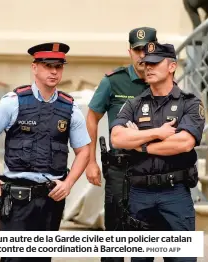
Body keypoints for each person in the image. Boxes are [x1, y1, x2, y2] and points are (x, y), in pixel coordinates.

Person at [0, 42, 90, 262]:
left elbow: (84, 150)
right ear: (34, 67)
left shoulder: (70, 109)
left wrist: (68, 184)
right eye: (48, 66)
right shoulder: (13, 102)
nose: (54, 71)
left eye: (58, 66)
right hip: (18, 200)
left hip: (50, 199)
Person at [111, 42, 203, 262]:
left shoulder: (189, 103)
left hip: (175, 194)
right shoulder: (134, 105)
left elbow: (183, 143)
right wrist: (158, 132)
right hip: (140, 194)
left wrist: (140, 144)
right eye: (145, 63)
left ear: (172, 66)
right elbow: (117, 138)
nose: (148, 67)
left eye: (154, 63)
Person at [85, 26, 157, 261]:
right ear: (130, 52)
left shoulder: (161, 80)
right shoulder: (113, 82)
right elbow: (92, 118)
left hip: (151, 168)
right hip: (119, 168)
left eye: (147, 49)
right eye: (137, 50)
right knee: (115, 238)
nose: (142, 55)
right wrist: (90, 162)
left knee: (144, 239)